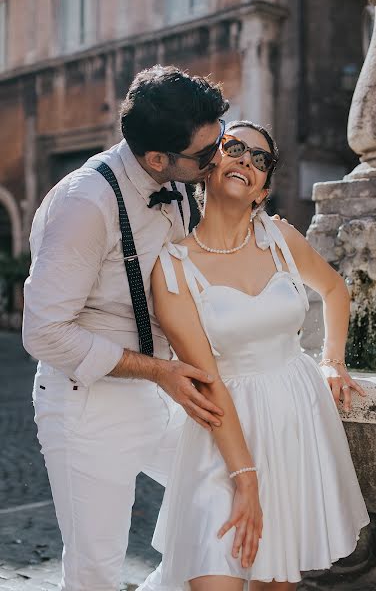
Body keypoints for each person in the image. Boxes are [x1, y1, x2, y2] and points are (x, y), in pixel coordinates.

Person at [22, 65, 234, 591]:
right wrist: (159, 371)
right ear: (158, 157)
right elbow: (44, 332)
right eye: (206, 155)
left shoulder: (179, 180)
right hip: (87, 403)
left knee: (228, 498)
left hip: (164, 393)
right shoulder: (83, 203)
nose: (217, 160)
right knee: (96, 568)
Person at [144, 120, 370, 591]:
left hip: (292, 421)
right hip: (220, 430)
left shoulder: (282, 241)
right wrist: (245, 478)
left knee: (274, 580)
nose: (247, 159)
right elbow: (206, 378)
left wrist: (333, 360)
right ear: (209, 166)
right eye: (235, 147)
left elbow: (333, 288)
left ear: (263, 189)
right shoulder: (173, 267)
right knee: (212, 575)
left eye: (260, 158)